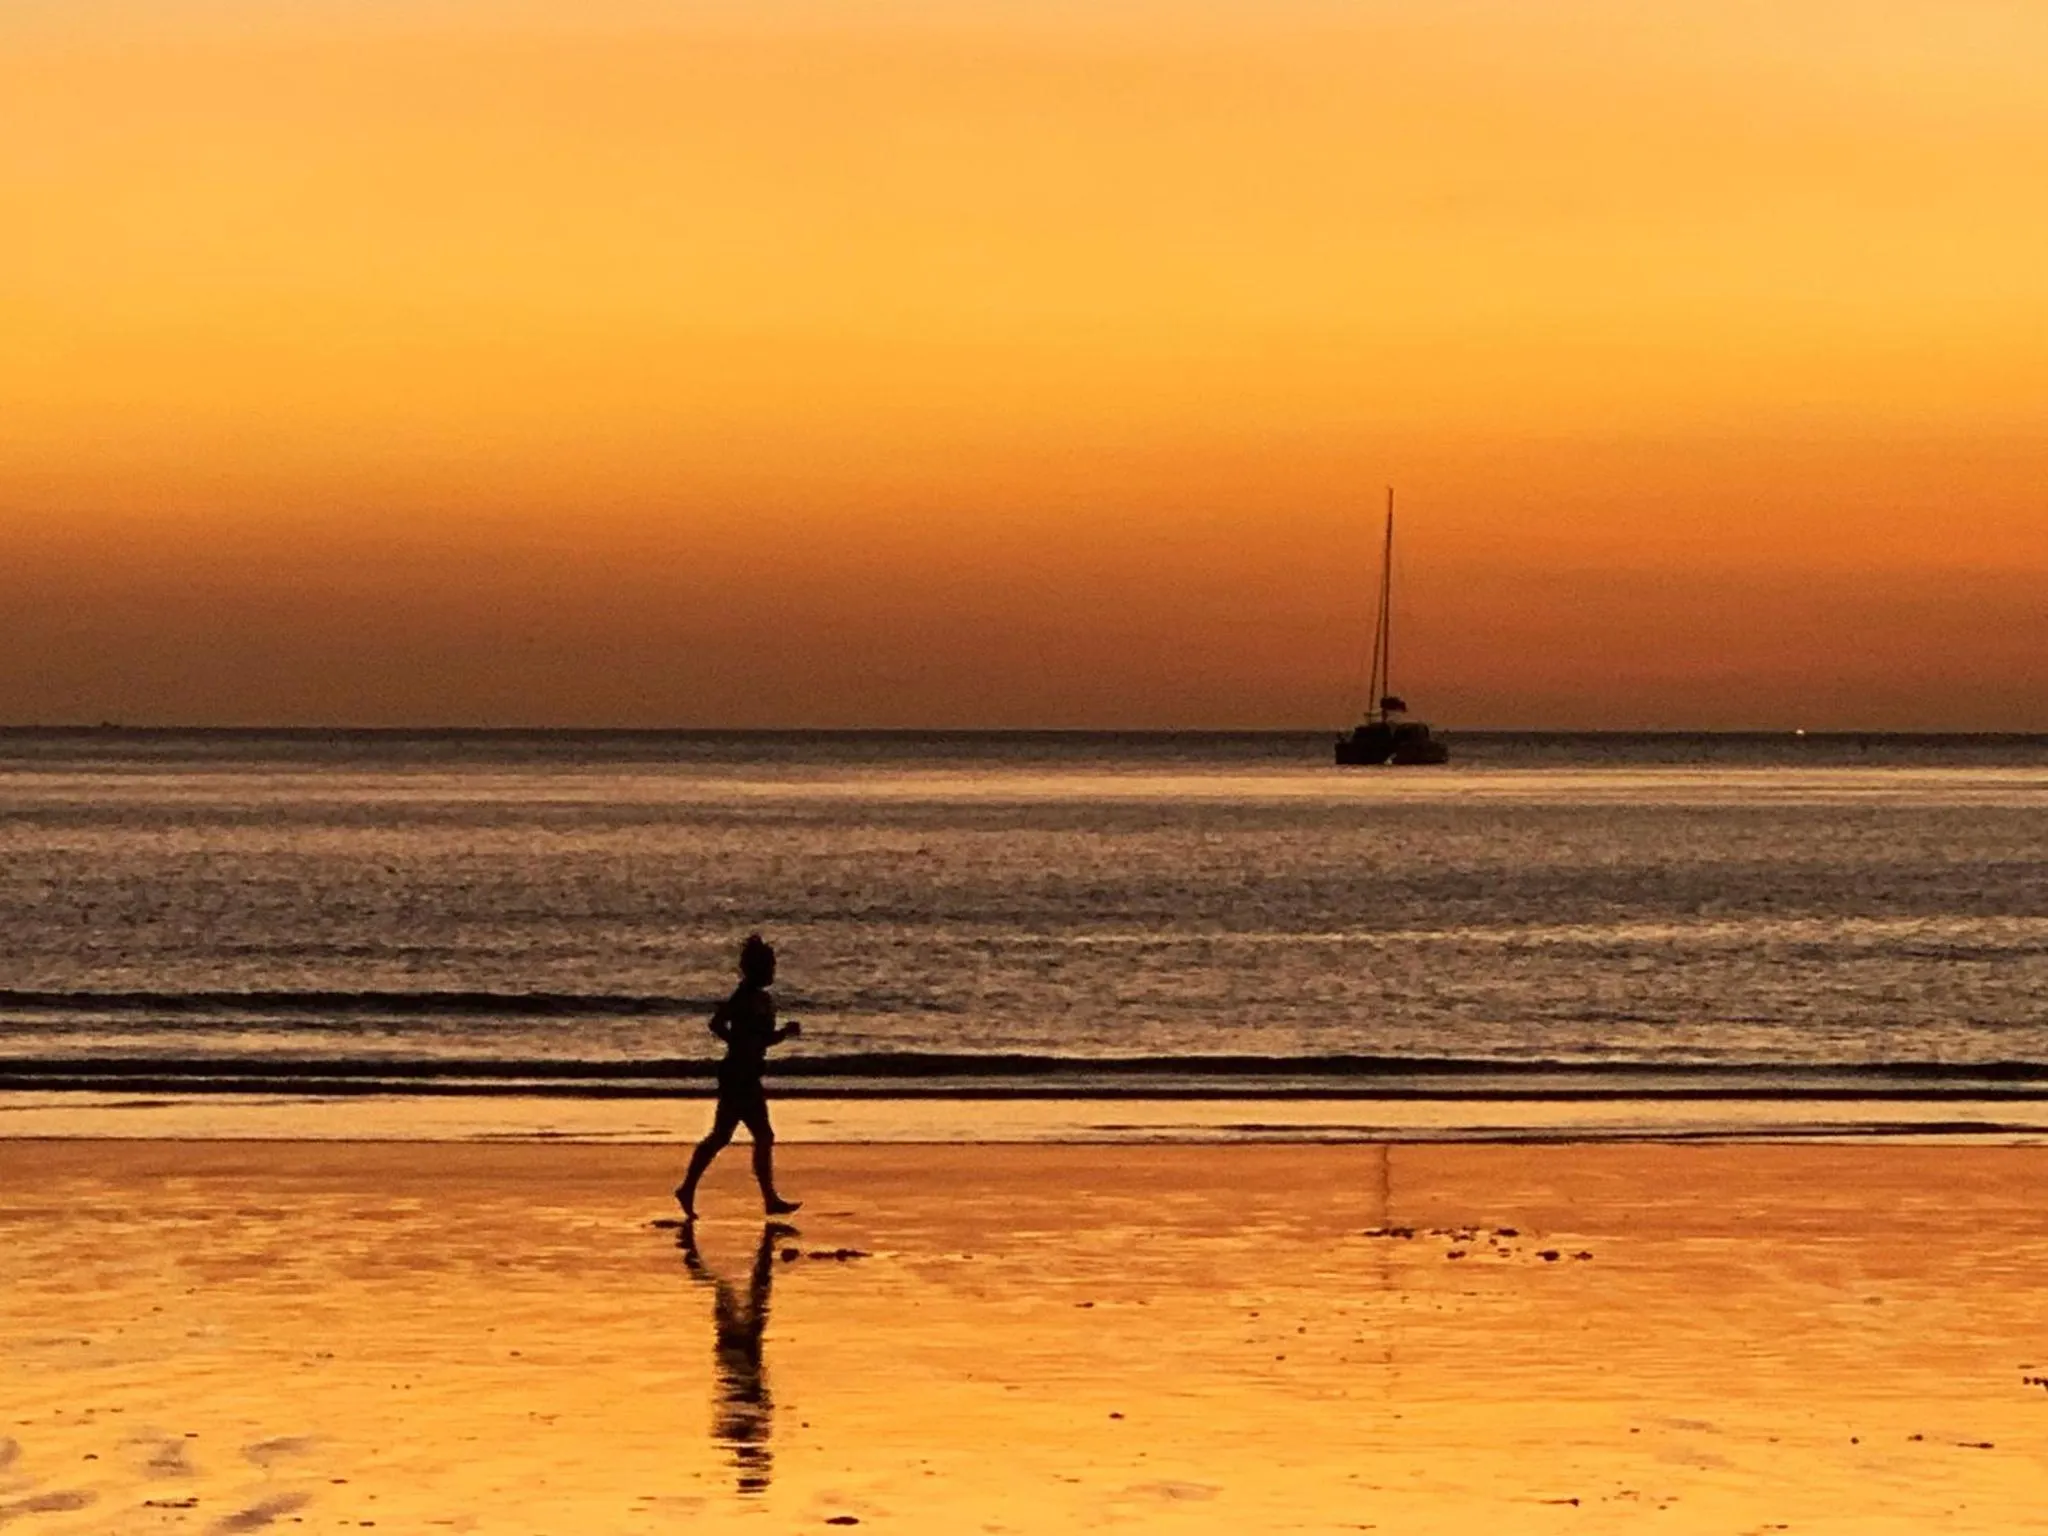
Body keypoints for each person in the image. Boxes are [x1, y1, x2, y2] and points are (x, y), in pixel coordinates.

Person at [676, 934, 801, 1218]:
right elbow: (717, 1023)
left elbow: (762, 1039)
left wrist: (781, 1034)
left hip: (747, 1073)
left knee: (726, 1136)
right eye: (769, 967)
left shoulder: (762, 999)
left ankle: (688, 1188)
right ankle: (767, 1198)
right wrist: (739, 1042)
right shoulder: (744, 996)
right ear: (757, 969)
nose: (773, 972)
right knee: (754, 1135)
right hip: (738, 1075)